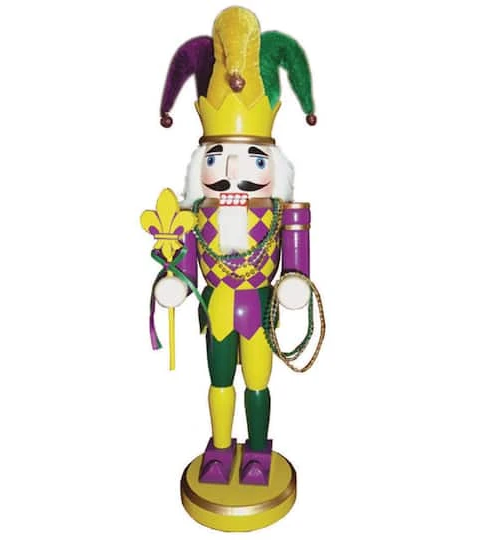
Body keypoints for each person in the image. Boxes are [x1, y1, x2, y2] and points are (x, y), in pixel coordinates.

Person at [152, 6, 317, 486]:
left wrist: (295, 282)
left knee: (258, 383)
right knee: (219, 381)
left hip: (259, 308)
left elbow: (296, 258)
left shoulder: (283, 214)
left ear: (274, 165)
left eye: (253, 160)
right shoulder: (193, 214)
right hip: (218, 309)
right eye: (218, 158)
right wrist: (175, 281)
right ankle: (220, 448)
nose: (232, 173)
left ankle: (259, 450)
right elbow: (183, 261)